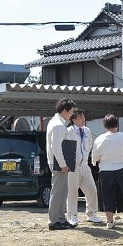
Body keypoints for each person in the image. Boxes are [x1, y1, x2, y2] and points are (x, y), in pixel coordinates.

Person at [91, 114, 123, 229]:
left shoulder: (100, 139)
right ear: (117, 124)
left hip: (106, 171)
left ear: (105, 126)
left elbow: (94, 158)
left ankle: (110, 222)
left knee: (108, 196)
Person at [66, 109, 103, 226]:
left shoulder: (87, 131)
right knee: (72, 192)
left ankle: (91, 213)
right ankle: (72, 215)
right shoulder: (69, 131)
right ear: (73, 120)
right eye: (80, 117)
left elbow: (90, 144)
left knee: (92, 189)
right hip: (73, 165)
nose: (83, 119)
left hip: (84, 165)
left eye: (83, 117)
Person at [46, 98, 77, 231]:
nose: (71, 115)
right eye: (70, 112)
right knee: (58, 192)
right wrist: (63, 164)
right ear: (64, 111)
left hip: (59, 163)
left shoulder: (57, 122)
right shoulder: (58, 125)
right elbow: (57, 147)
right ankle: (53, 221)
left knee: (62, 191)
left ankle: (60, 219)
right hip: (59, 164)